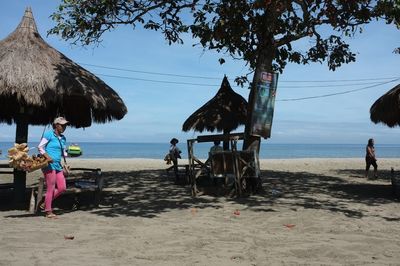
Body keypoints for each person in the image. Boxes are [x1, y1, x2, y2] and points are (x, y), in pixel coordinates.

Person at [38, 117, 69, 218]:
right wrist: (47, 157)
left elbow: (63, 152)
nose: (64, 127)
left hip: (58, 165)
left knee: (62, 188)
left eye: (65, 125)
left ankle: (45, 202)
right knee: (50, 188)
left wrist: (66, 161)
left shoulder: (63, 138)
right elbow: (40, 147)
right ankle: (48, 211)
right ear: (56, 125)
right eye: (62, 125)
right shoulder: (49, 134)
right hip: (49, 165)